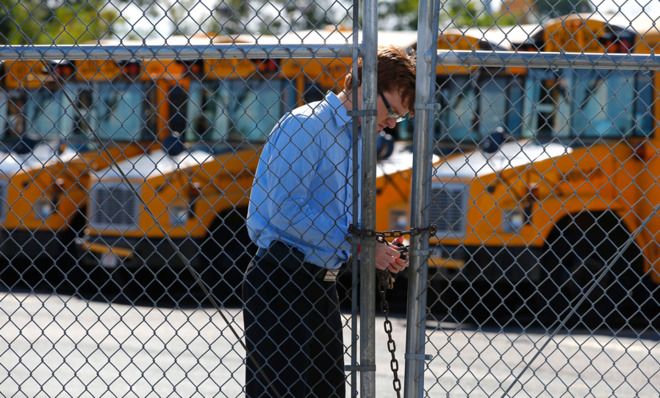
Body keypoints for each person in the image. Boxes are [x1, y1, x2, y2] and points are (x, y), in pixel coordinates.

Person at [243, 46, 416, 398]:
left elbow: (331, 218)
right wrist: (362, 246)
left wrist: (373, 246)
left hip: (316, 284)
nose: (392, 124)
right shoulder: (307, 126)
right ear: (367, 88)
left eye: (400, 119)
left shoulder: (353, 139)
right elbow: (284, 210)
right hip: (282, 281)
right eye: (393, 112)